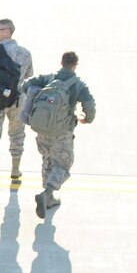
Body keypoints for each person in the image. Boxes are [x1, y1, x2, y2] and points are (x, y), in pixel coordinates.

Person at [20, 51, 97, 218]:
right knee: (62, 164)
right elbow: (89, 105)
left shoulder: (48, 78)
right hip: (62, 132)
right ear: (75, 65)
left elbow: (26, 85)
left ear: (61, 62)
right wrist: (87, 119)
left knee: (47, 159)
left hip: (42, 128)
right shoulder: (78, 84)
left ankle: (48, 198)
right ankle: (47, 193)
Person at [0, 19, 35, 189]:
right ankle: (15, 170)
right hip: (17, 100)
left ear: (7, 32)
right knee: (17, 135)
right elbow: (29, 74)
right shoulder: (25, 53)